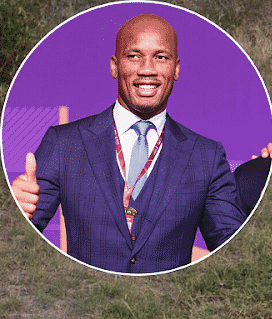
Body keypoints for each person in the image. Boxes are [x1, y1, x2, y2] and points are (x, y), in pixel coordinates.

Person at [8, 13, 245, 274]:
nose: (147, 69)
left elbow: (234, 251)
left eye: (161, 57)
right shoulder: (64, 143)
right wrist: (15, 210)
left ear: (176, 69)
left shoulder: (207, 157)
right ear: (114, 65)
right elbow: (18, 243)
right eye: (134, 56)